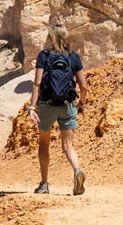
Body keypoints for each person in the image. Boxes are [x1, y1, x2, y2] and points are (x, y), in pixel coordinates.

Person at [28, 23, 88, 195]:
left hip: (47, 105)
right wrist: (81, 104)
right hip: (67, 105)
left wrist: (32, 107)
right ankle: (77, 170)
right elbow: (83, 86)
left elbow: (37, 83)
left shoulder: (44, 56)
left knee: (44, 143)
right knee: (68, 145)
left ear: (51, 37)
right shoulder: (73, 57)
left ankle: (44, 183)